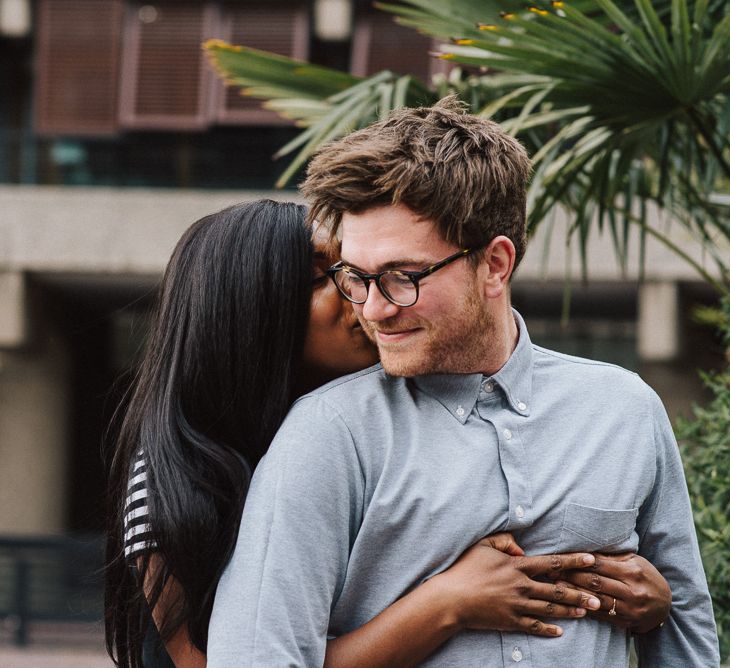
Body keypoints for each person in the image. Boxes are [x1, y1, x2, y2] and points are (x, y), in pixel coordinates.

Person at [207, 102, 719, 667]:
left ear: (496, 265)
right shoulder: (328, 433)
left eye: (403, 277)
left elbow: (686, 630)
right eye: (356, 277)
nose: (372, 310)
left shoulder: (625, 410)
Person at [106, 200, 669, 668]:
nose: (365, 299)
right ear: (253, 314)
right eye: (327, 280)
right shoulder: (167, 478)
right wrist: (447, 604)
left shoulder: (378, 422)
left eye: (354, 271)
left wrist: (633, 595)